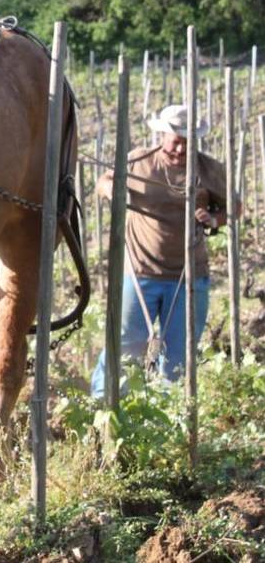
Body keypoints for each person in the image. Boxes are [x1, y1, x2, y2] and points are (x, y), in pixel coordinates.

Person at [90, 104, 239, 398]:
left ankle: (168, 415)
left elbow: (234, 208)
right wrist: (112, 192)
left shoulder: (209, 169)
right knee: (125, 343)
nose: (180, 148)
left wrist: (212, 219)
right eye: (175, 140)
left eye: (187, 142)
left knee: (178, 355)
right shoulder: (138, 160)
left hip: (188, 276)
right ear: (162, 135)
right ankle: (104, 401)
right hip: (139, 271)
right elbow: (104, 181)